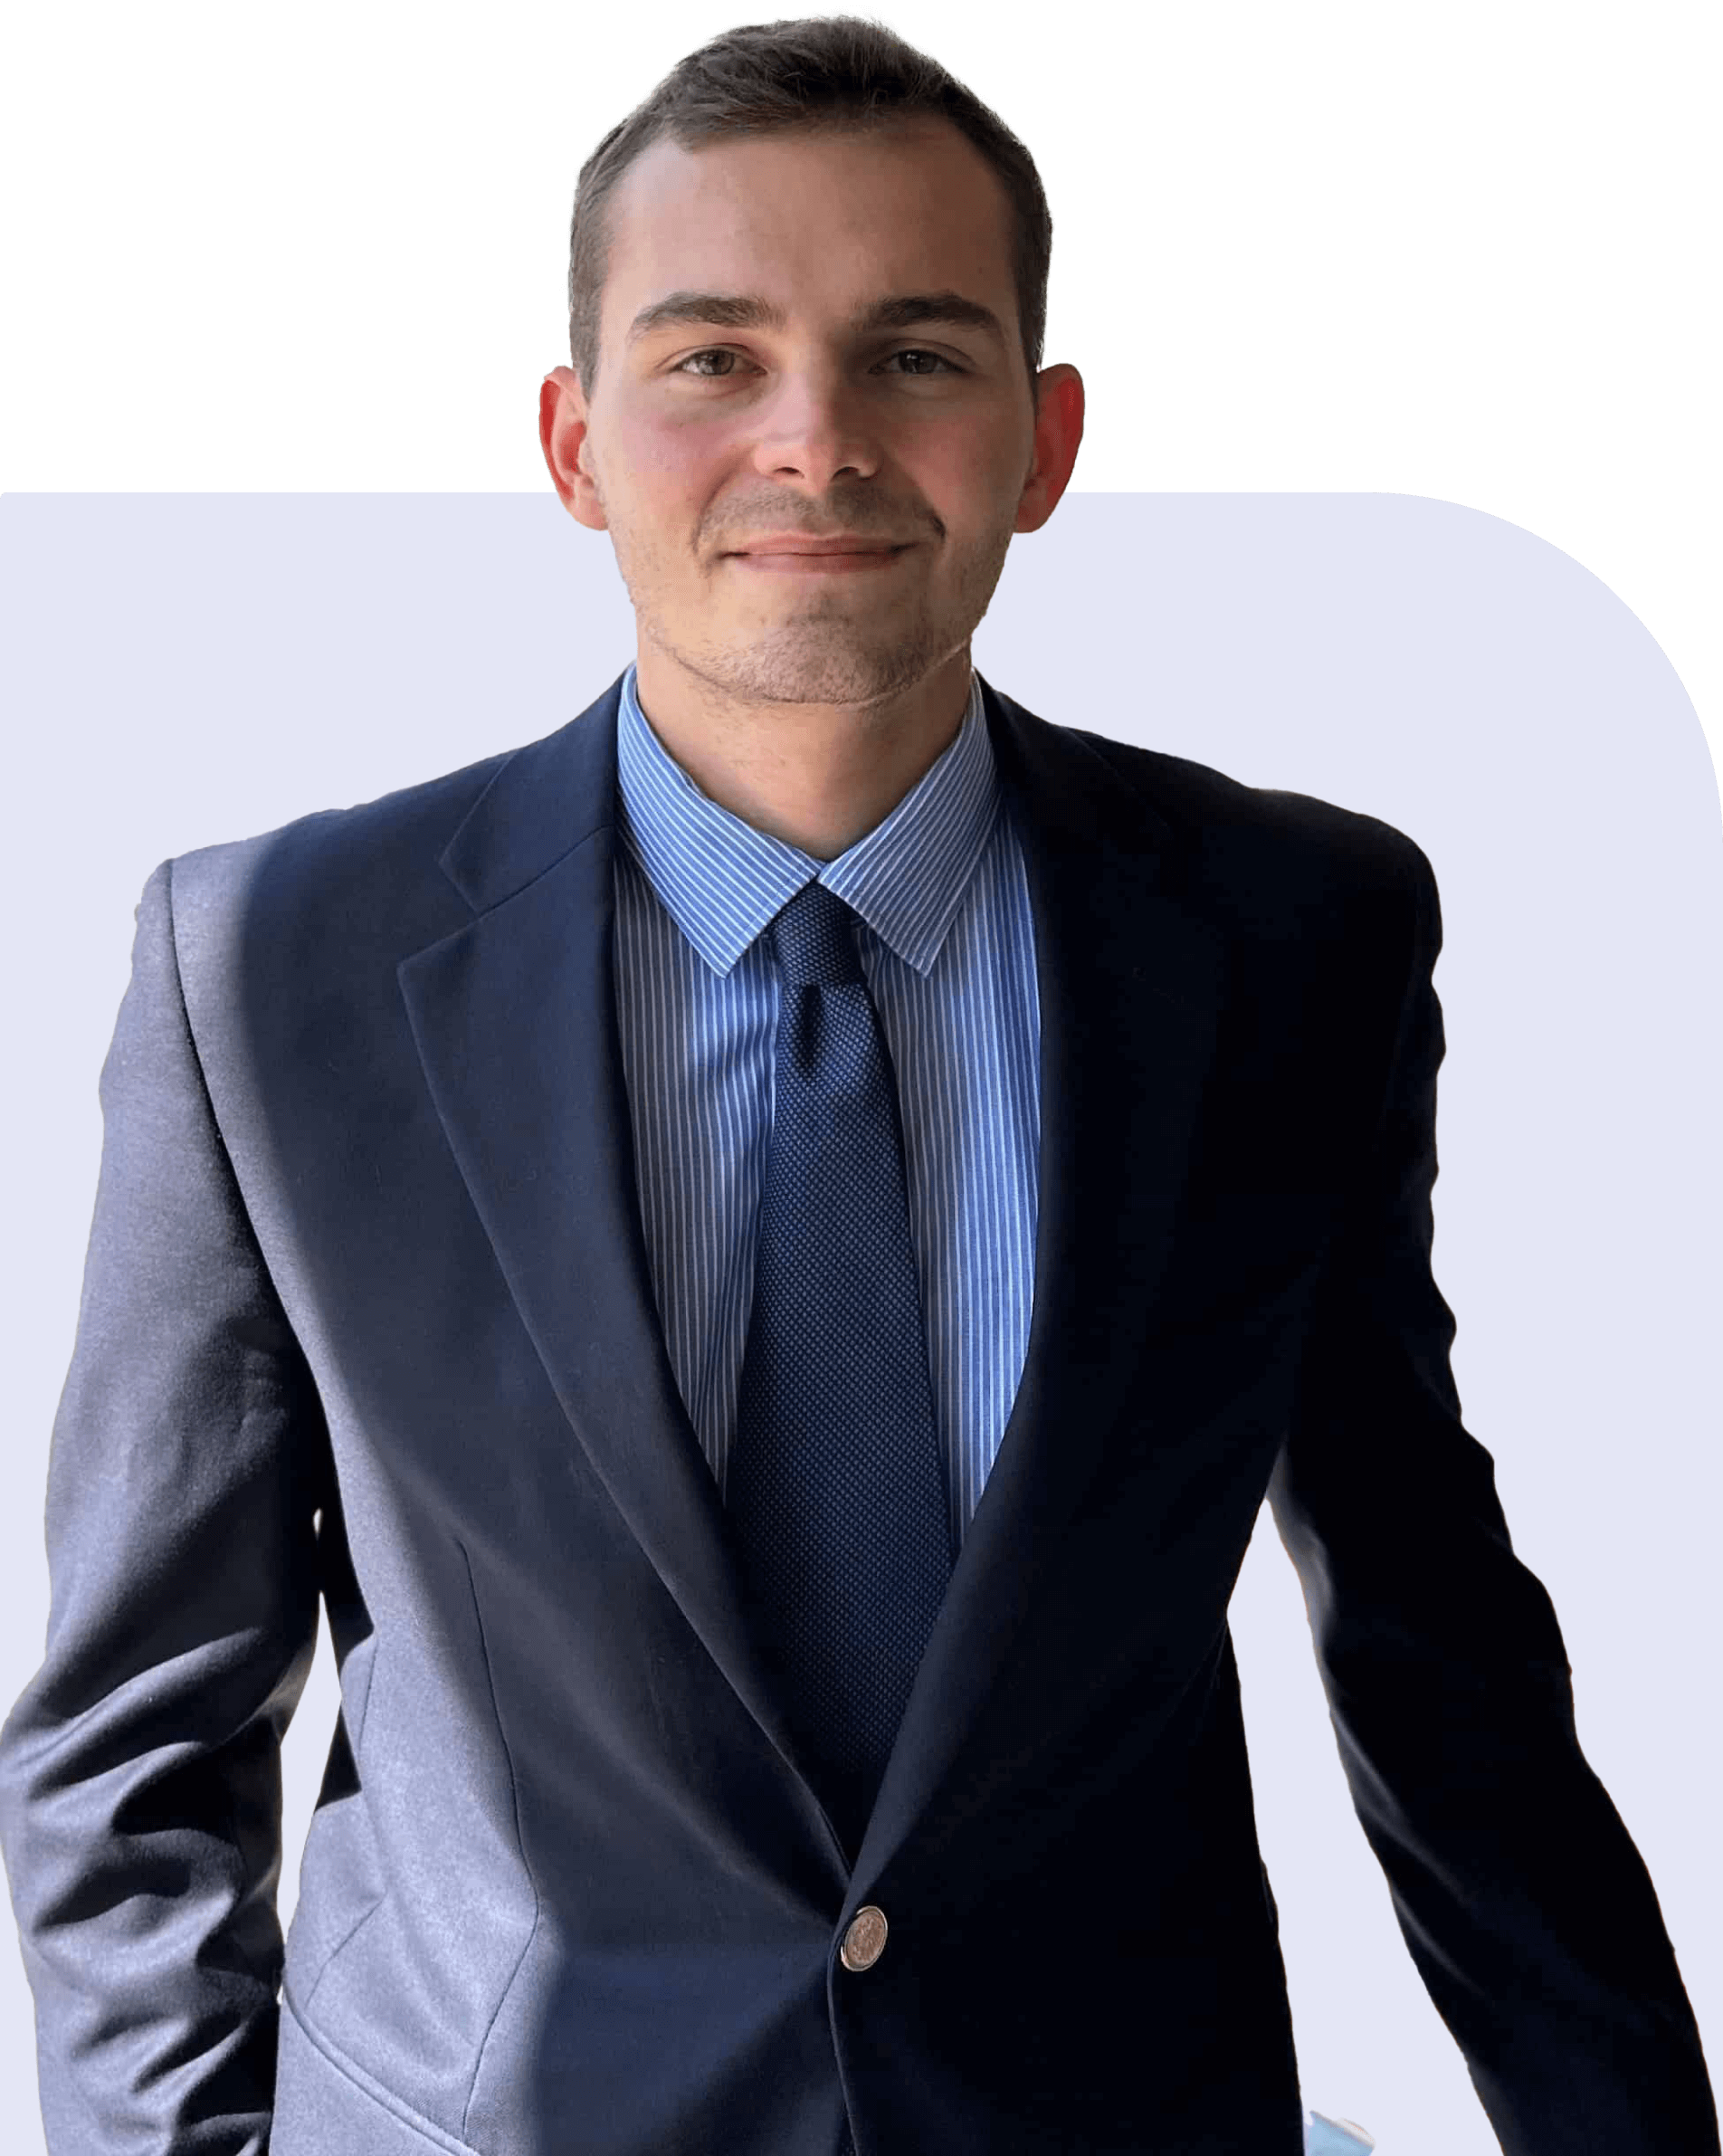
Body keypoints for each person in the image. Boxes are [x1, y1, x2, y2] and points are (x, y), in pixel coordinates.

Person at [0, 14, 1714, 2156]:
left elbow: (1437, 1657)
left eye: (914, 353)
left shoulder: (1295, 940)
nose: (813, 442)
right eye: (711, 358)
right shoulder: (265, 967)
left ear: (1045, 440)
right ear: (572, 445)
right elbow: (133, 1749)